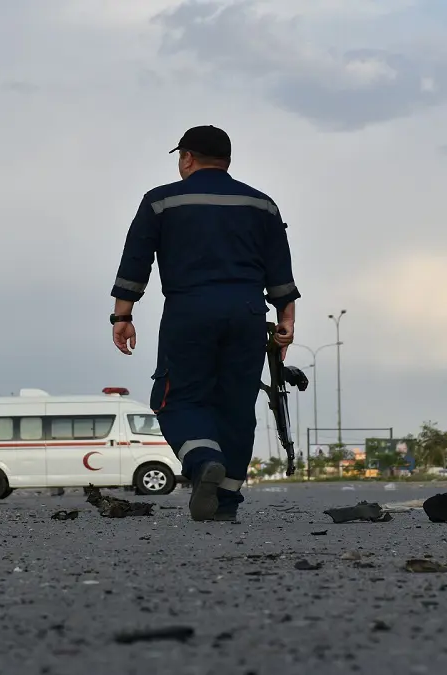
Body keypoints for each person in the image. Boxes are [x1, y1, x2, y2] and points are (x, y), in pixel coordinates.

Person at [109, 125, 300, 523]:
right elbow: (280, 269)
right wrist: (286, 320)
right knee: (237, 405)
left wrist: (122, 315)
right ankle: (225, 501)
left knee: (177, 399)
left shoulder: (161, 201)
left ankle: (203, 460)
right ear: (226, 161)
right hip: (248, 313)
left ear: (188, 158)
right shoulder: (261, 204)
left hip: (189, 311)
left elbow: (136, 259)